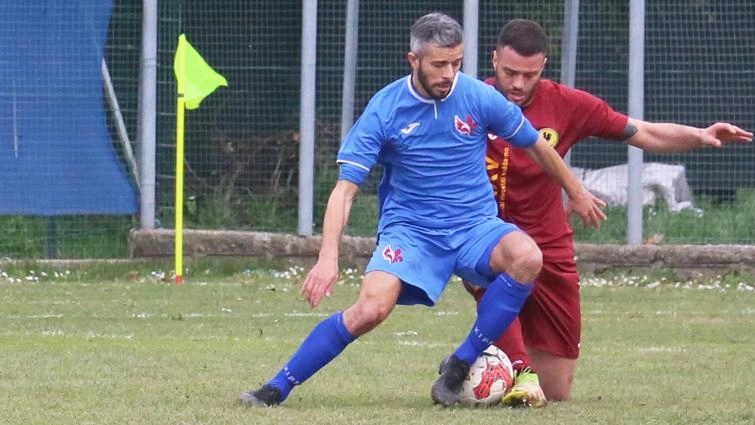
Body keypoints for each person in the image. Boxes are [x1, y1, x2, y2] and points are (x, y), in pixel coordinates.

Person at [239, 12, 605, 408]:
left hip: (473, 227)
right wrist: (328, 258)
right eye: (439, 64)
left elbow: (535, 143)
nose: (450, 73)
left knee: (527, 256)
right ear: (413, 60)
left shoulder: (479, 98)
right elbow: (344, 192)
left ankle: (461, 363)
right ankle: (277, 387)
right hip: (411, 233)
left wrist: (576, 189)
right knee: (371, 309)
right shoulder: (385, 109)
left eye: (457, 63)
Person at [462, 18, 753, 407]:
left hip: (549, 245)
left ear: (543, 67)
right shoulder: (468, 100)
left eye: (528, 75)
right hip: (486, 237)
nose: (517, 83)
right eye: (509, 72)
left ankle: (492, 365)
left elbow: (641, 132)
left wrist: (698, 136)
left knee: (557, 391)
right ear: (494, 60)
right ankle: (499, 363)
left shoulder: (565, 103)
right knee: (490, 280)